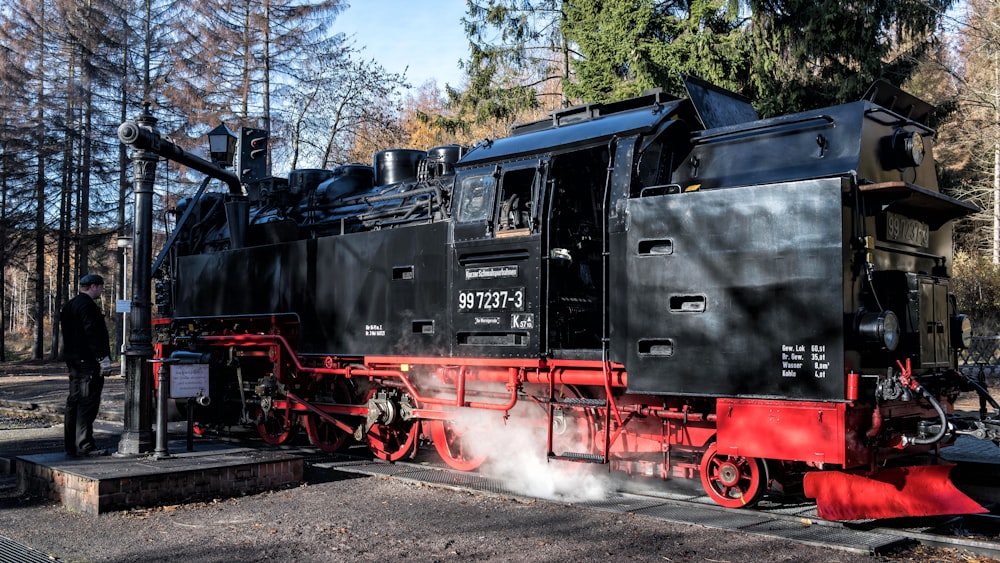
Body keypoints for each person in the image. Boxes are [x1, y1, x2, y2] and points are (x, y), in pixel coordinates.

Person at [60, 273, 113, 457]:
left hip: (73, 361)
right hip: (88, 362)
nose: (101, 290)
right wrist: (102, 357)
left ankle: (70, 445)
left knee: (73, 401)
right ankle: (85, 445)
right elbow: (93, 334)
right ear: (93, 287)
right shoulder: (88, 307)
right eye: (100, 287)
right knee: (87, 402)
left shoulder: (69, 306)